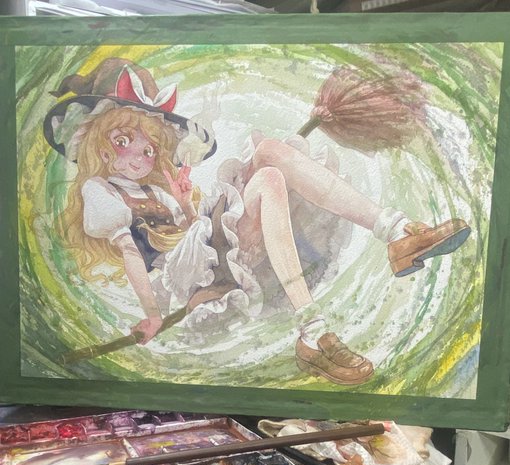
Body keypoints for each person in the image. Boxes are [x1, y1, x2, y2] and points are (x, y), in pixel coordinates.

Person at [44, 58, 470, 386]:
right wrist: (153, 315)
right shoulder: (101, 192)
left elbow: (191, 231)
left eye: (149, 148)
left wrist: (184, 203)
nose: (140, 156)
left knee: (268, 165)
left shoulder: (157, 190)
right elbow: (134, 254)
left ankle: (390, 239)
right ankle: (381, 250)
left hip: (203, 249)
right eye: (123, 141)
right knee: (265, 166)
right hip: (183, 270)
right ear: (99, 145)